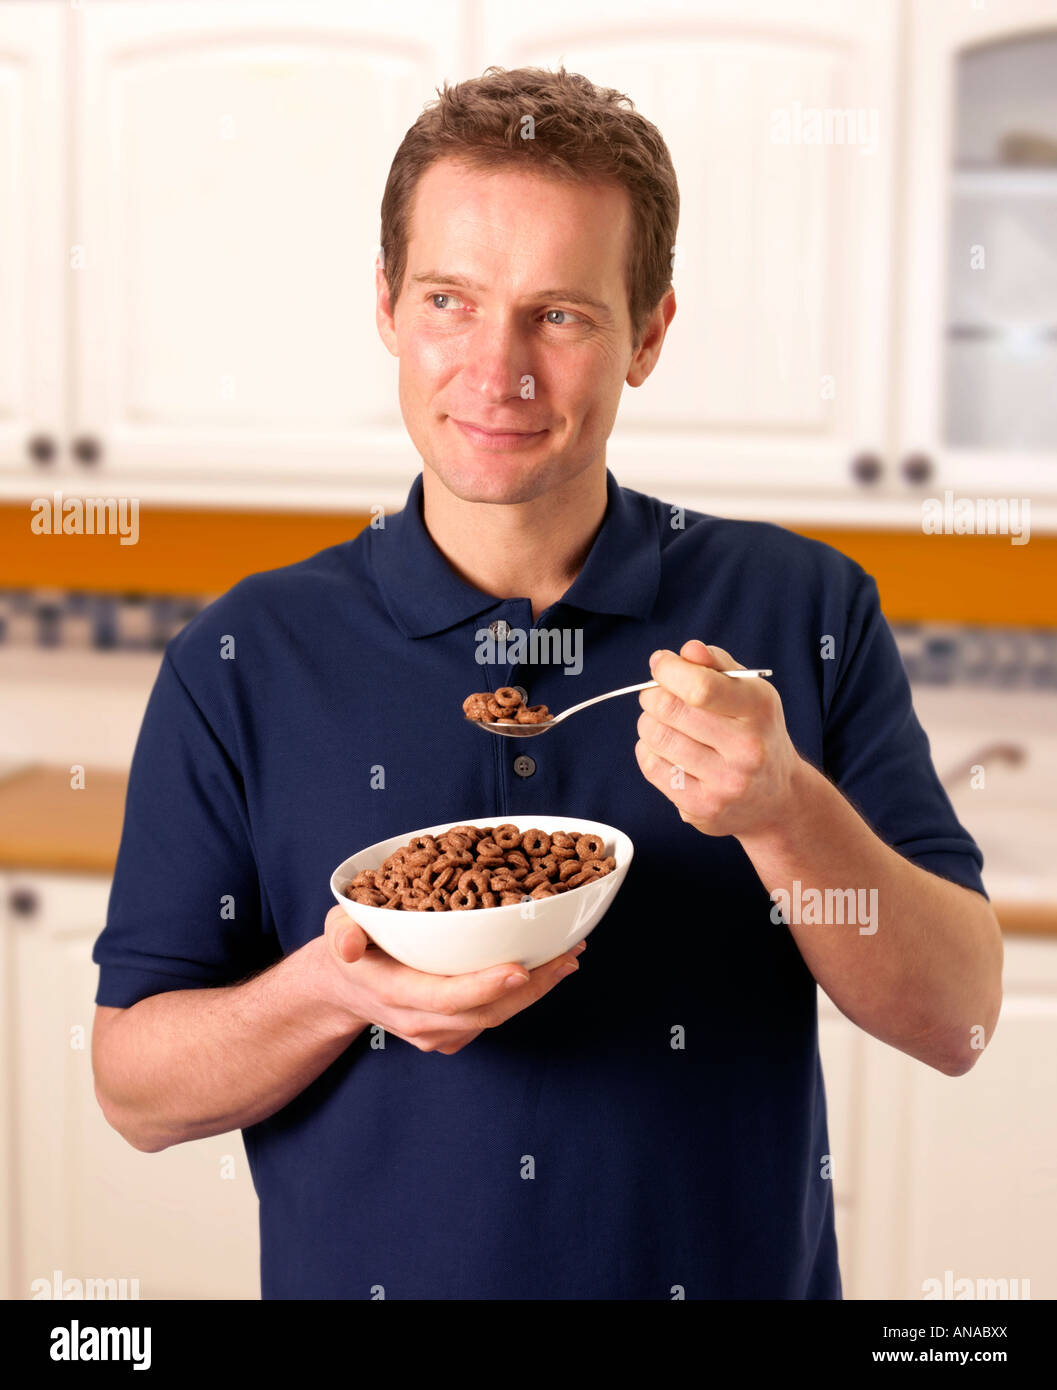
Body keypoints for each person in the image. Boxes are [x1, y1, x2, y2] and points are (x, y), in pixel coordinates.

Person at [91, 65, 1002, 1300]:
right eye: (450, 302)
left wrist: (786, 810)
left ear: (651, 333)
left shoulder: (802, 610)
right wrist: (332, 989)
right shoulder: (244, 656)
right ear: (386, 306)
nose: (497, 370)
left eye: (560, 314)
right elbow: (135, 1088)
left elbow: (956, 1020)